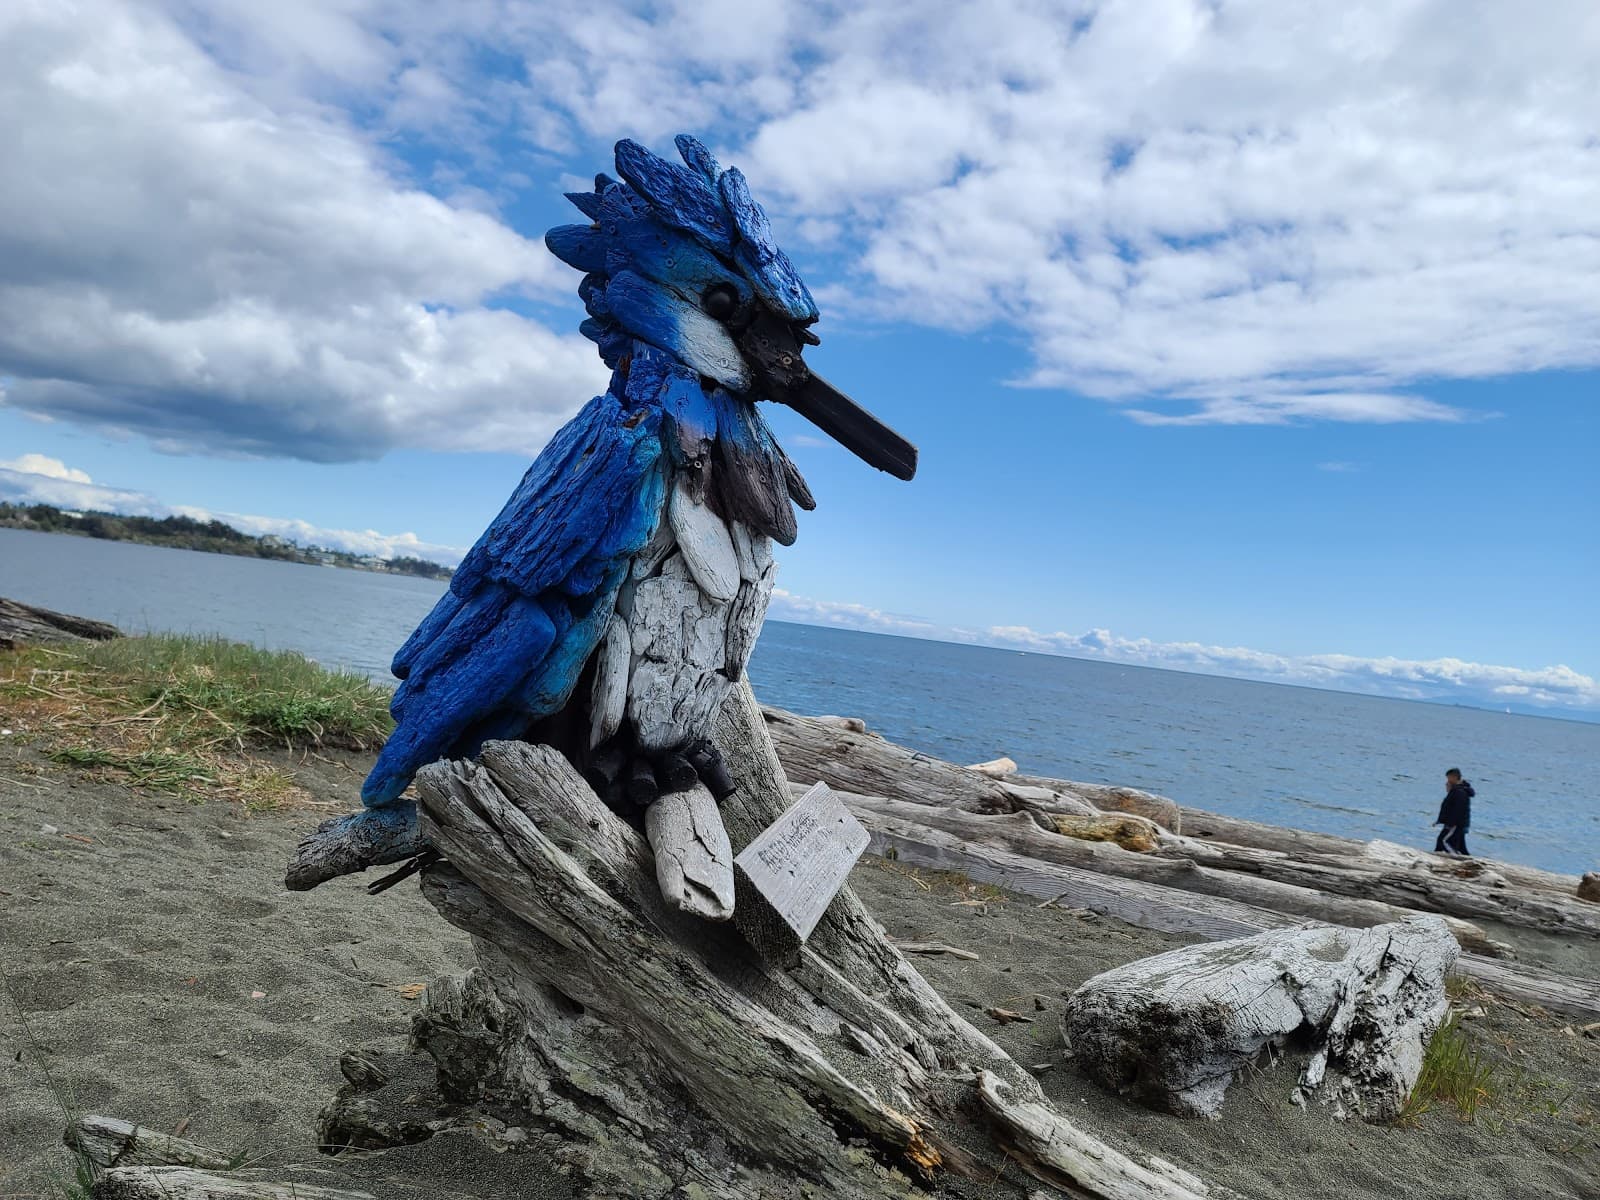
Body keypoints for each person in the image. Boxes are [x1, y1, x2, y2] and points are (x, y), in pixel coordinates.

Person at [1433, 768, 1474, 856]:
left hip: (1455, 824)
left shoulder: (1459, 792)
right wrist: (1440, 820)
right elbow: (1448, 807)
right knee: (1461, 847)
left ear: (1454, 777)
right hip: (1456, 823)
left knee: (1443, 841)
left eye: (1449, 778)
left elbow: (1458, 810)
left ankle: (1453, 857)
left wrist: (1451, 823)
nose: (1447, 781)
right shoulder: (1457, 790)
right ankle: (1464, 856)